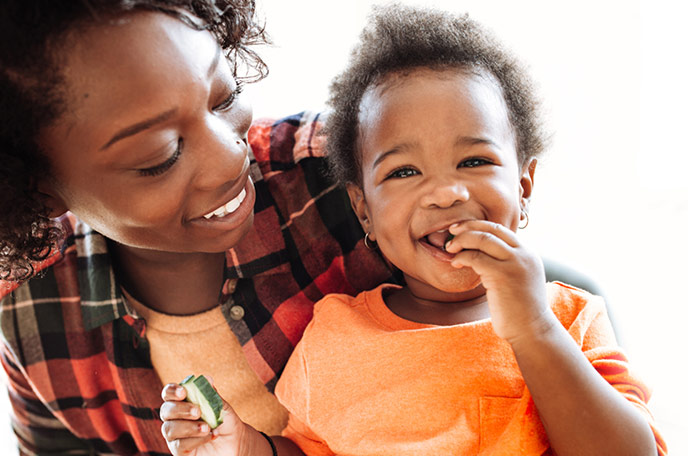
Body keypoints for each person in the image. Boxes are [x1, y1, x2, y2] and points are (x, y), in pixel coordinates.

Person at [159, 4, 667, 455]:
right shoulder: (334, 334)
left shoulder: (569, 318)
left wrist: (534, 330)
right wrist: (248, 446)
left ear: (525, 185)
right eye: (403, 172)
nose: (445, 193)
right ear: (364, 212)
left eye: (474, 160)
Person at [0, 1, 395, 454]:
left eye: (224, 97)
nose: (230, 156)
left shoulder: (356, 179)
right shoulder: (30, 314)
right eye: (161, 157)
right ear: (37, 190)